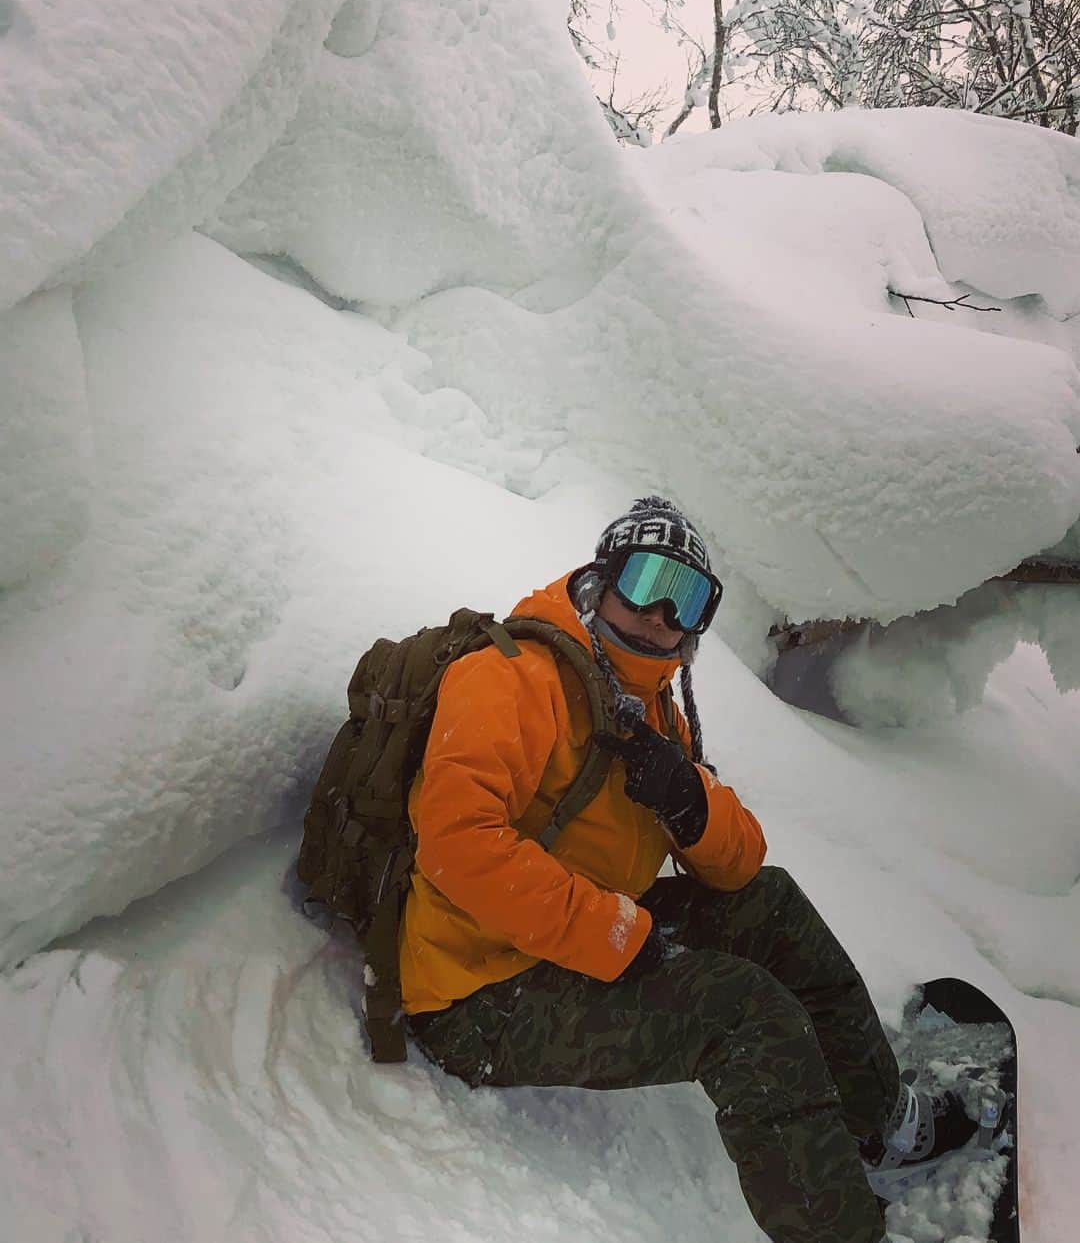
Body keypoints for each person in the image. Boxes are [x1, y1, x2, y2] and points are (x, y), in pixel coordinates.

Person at [400, 496, 971, 1243]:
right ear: (602, 581)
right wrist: (619, 934)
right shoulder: (511, 678)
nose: (662, 614)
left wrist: (687, 797)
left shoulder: (646, 697)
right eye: (645, 583)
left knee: (770, 904)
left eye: (689, 599)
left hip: (565, 942)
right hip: (477, 994)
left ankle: (879, 1118)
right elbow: (456, 844)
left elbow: (741, 866)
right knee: (742, 1014)